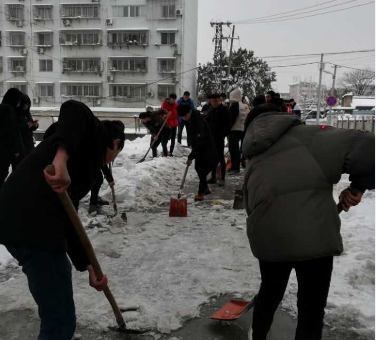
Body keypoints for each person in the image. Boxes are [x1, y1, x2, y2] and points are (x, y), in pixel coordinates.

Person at [242, 104, 375, 340]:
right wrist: (357, 187)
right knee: (311, 312)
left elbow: (250, 205)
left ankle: (258, 335)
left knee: (269, 294)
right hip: (315, 239)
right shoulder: (314, 136)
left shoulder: (254, 154)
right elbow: (369, 147)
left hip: (269, 239)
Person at [0, 100, 126, 340]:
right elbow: (73, 107)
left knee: (58, 308)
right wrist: (61, 157)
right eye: (115, 156)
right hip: (32, 223)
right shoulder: (92, 136)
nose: (109, 162)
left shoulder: (84, 161)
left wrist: (88, 266)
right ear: (116, 143)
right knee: (60, 320)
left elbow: (70, 219)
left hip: (20, 220)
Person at [177, 104, 218, 201]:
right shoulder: (192, 119)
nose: (183, 118)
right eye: (181, 117)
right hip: (201, 150)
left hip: (207, 150)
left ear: (190, 111)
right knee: (197, 168)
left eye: (185, 116)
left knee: (202, 171)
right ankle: (205, 188)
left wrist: (191, 156)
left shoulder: (198, 122)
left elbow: (200, 142)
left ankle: (200, 193)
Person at [0, 88, 24, 188]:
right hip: (4, 149)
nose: (19, 104)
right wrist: (18, 149)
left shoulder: (1, 107)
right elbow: (13, 131)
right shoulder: (9, 110)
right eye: (18, 101)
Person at [206, 93, 232, 186]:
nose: (214, 103)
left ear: (220, 100)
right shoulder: (211, 110)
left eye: (216, 101)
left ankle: (222, 177)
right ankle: (213, 177)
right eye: (212, 101)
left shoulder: (225, 110)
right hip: (211, 137)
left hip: (220, 137)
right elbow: (207, 123)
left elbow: (228, 124)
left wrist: (223, 134)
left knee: (220, 157)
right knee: (212, 157)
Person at [228, 88, 250, 174]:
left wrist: (227, 128)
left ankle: (235, 167)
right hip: (240, 129)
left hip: (234, 129)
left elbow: (231, 119)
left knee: (233, 149)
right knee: (236, 149)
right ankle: (235, 167)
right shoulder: (242, 105)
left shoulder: (234, 105)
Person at [15, 94, 39, 159]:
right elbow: (15, 128)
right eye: (25, 104)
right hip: (21, 143)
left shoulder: (27, 113)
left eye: (27, 105)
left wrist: (35, 125)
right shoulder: (16, 114)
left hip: (29, 142)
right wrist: (27, 125)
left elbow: (31, 126)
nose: (26, 106)